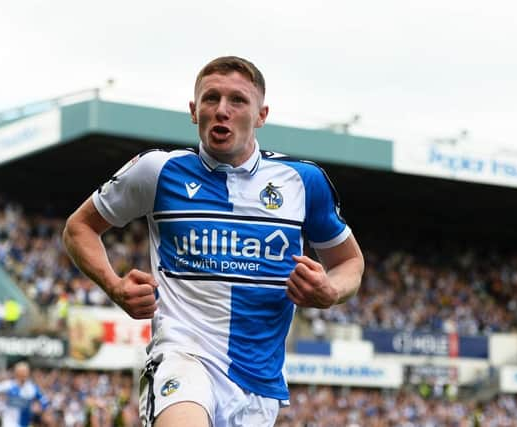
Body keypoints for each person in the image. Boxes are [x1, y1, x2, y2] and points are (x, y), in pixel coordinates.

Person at [63, 56, 364, 427]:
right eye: (211, 99)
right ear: (193, 111)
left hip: (257, 383)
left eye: (237, 101)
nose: (222, 110)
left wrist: (330, 291)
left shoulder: (302, 182)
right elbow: (79, 227)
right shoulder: (157, 171)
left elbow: (350, 263)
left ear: (261, 115)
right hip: (182, 356)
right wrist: (114, 285)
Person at [0, 361, 49, 427]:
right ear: (16, 373)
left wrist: (41, 408)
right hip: (9, 423)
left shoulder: (32, 388)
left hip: (24, 423)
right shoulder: (9, 385)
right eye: (22, 372)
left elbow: (44, 400)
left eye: (25, 372)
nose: (24, 374)